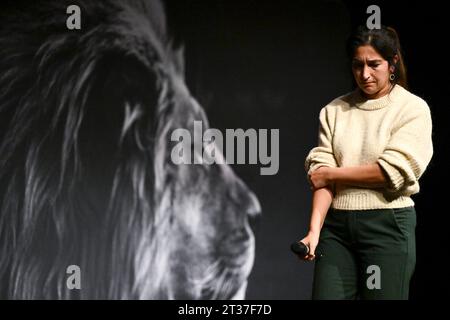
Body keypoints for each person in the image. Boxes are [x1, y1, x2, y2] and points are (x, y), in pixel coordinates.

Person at [297, 25, 433, 300]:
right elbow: (321, 175)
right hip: (336, 230)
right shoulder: (334, 110)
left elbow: (389, 173)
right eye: (358, 65)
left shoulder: (411, 108)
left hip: (387, 225)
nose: (365, 74)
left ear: (392, 62)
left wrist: (331, 175)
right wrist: (314, 230)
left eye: (374, 64)